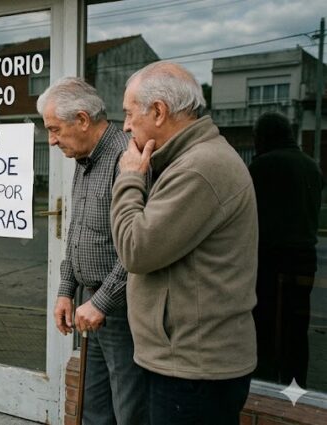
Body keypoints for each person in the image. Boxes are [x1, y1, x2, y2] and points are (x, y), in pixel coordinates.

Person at [111, 61, 257, 424]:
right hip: (186, 364)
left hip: (193, 371)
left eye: (129, 114)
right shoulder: (191, 159)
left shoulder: (198, 167)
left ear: (158, 111)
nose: (126, 126)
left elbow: (136, 249)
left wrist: (129, 178)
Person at [37, 77, 147, 424]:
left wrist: (100, 302)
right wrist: (66, 290)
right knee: (94, 407)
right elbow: (77, 229)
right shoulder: (83, 158)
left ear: (82, 120)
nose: (51, 140)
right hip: (90, 303)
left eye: (55, 130)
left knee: (129, 408)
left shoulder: (128, 160)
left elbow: (139, 247)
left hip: (122, 309)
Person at [249, 111, 322, 387]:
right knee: (295, 329)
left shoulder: (263, 166)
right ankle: (296, 386)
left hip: (271, 263)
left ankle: (268, 387)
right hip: (305, 261)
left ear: (264, 137)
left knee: (267, 328)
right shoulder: (311, 165)